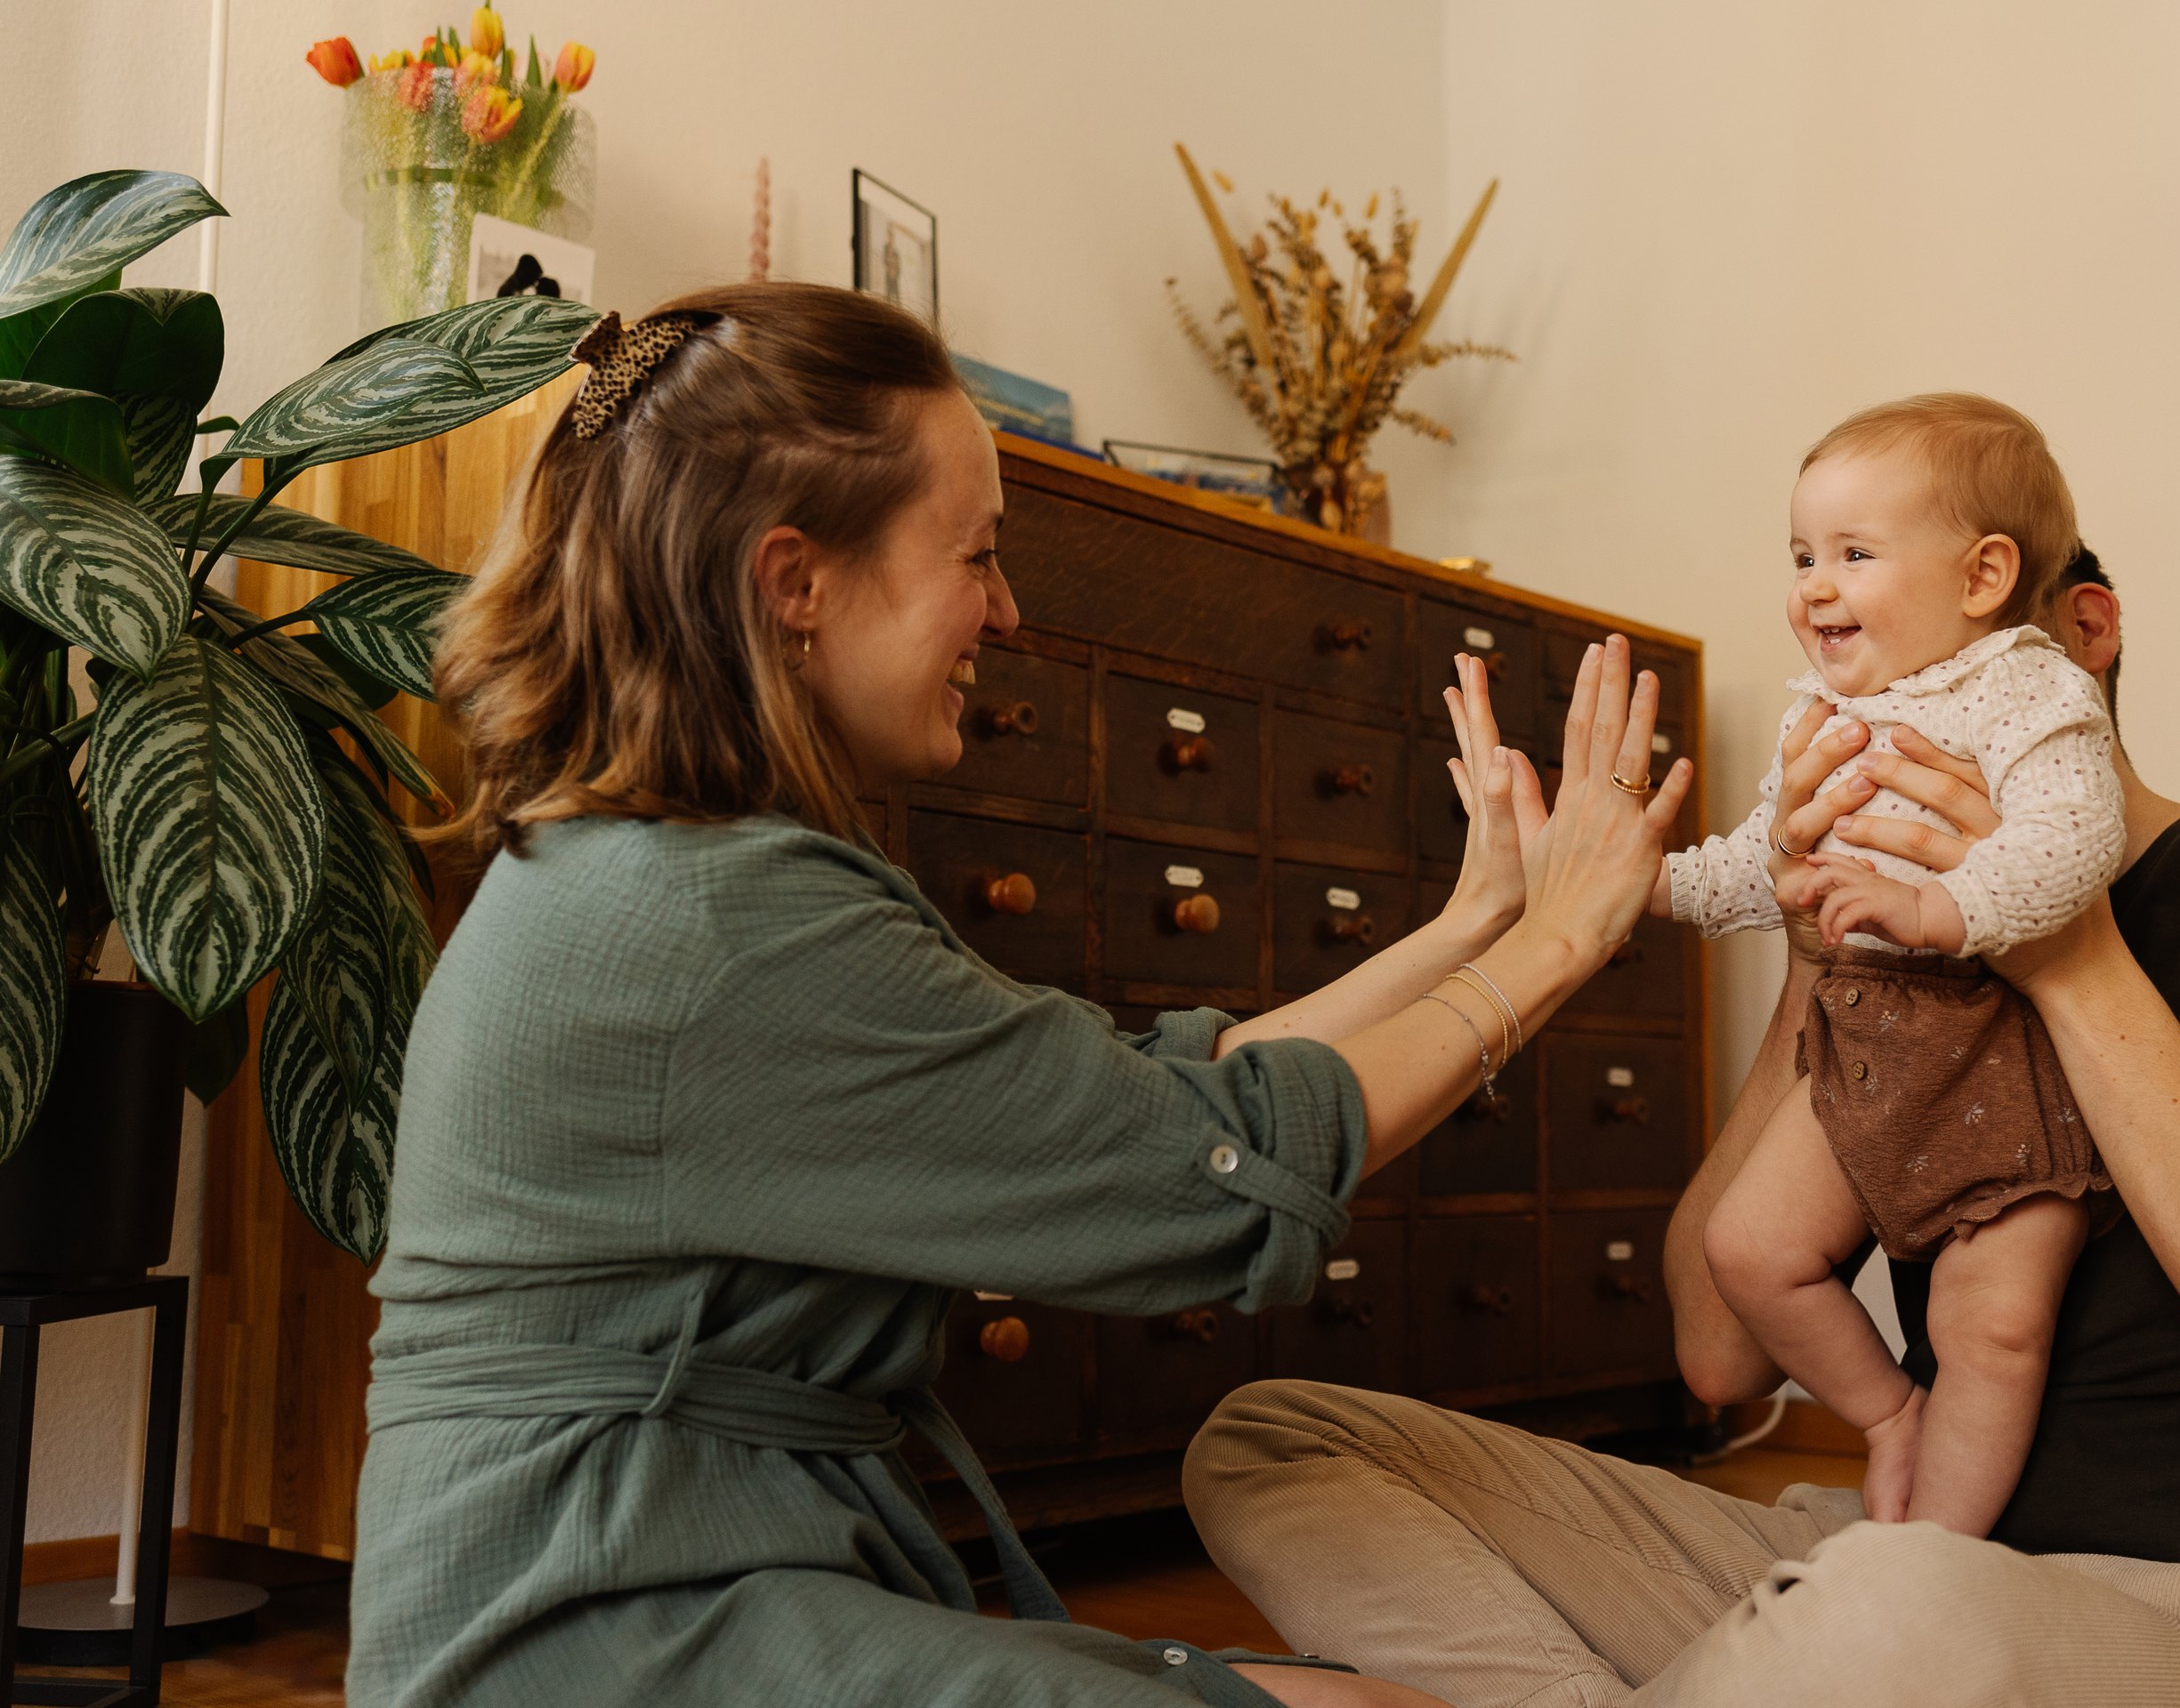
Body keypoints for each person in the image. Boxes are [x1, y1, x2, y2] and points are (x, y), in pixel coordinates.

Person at [341, 280, 1686, 1708]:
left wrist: (1482, 923)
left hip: (647, 1581)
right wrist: (1561, 947)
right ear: (794, 584)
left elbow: (1142, 1109)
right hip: (596, 1631)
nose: (1009, 607)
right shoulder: (720, 919)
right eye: (975, 556)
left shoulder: (676, 875)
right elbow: (1214, 1175)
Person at [1185, 548, 2180, 1708]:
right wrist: (1821, 951)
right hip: (1881, 1561)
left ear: (2081, 634)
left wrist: (2061, 949)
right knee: (1274, 1445)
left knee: (1881, 1606)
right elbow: (1716, 1353)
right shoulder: (1894, 961)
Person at [1662, 394, 2124, 1534]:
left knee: (1993, 1325)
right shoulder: (1823, 713)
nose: (1814, 585)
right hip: (1869, 1038)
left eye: (1854, 555)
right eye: (1803, 555)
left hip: (1993, 1048)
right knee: (1750, 1245)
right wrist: (1638, 885)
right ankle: (1884, 1417)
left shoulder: (2027, 686)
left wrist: (1939, 909)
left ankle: (1930, 1553)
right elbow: (1765, 868)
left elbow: (2075, 841)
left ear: (1981, 578)